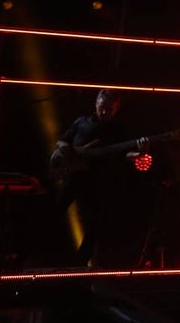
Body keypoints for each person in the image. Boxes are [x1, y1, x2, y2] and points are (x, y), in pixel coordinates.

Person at [51, 88, 147, 268]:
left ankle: (80, 263)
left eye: (109, 109)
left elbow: (125, 154)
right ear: (96, 104)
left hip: (98, 180)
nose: (104, 111)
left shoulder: (117, 130)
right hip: (74, 175)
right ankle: (53, 254)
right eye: (102, 107)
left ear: (116, 109)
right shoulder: (81, 122)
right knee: (56, 211)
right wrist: (67, 150)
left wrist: (139, 152)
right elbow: (62, 141)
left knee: (94, 222)